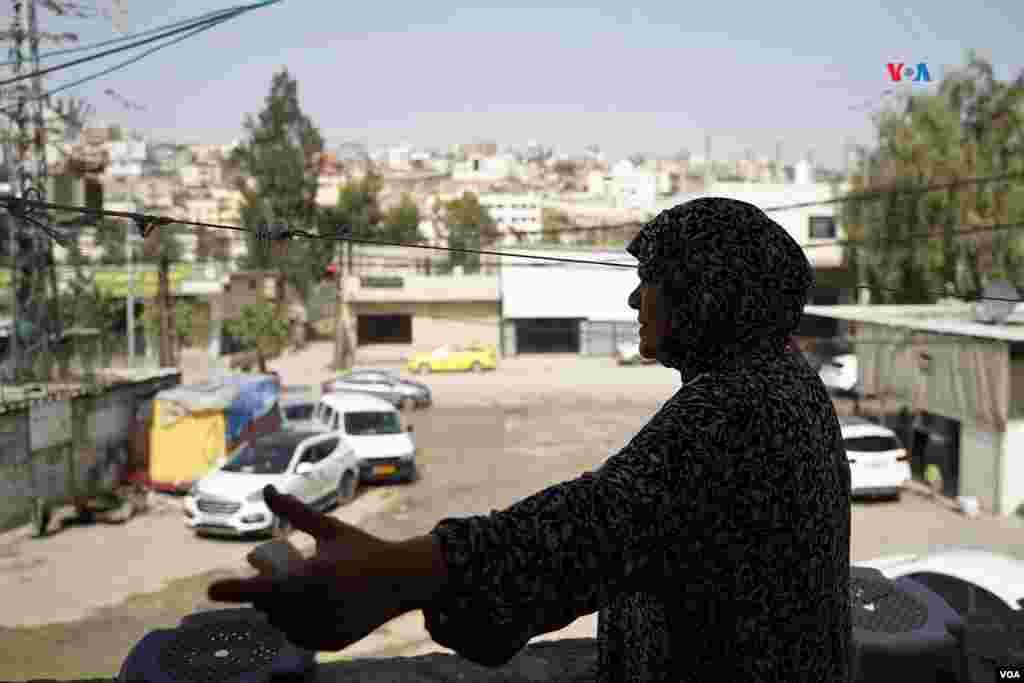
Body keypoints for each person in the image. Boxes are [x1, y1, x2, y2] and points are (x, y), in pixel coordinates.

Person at [209, 197, 853, 682]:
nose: (634, 298)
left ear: (706, 294)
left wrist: (395, 574)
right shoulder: (775, 380)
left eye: (652, 276)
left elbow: (592, 525)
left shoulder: (739, 406)